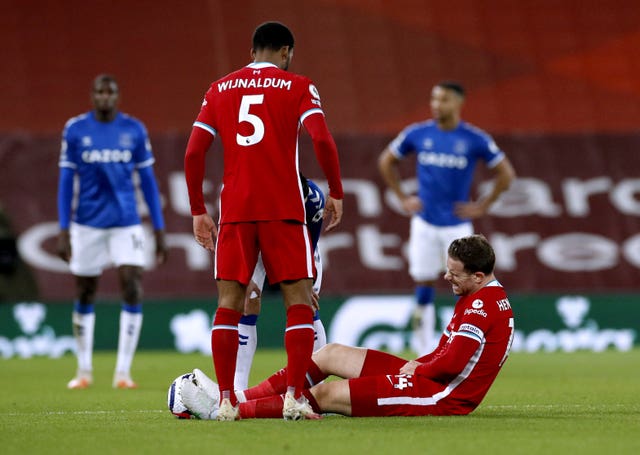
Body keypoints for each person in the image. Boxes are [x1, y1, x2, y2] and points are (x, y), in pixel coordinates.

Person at [183, 21, 344, 421]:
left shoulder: (218, 88)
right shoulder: (300, 85)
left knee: (228, 306)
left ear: (252, 50)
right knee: (299, 305)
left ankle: (225, 401)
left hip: (236, 211)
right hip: (283, 209)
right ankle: (294, 396)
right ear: (287, 51)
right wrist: (337, 191)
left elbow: (192, 153)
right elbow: (322, 139)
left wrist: (197, 210)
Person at [181, 234, 514, 419]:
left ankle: (226, 412)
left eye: (454, 274)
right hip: (431, 376)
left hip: (442, 395)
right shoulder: (479, 296)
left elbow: (454, 364)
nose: (447, 278)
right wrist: (420, 365)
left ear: (479, 276)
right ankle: (238, 396)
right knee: (330, 353)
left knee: (326, 393)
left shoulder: (482, 306)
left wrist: (418, 368)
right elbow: (447, 355)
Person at [378, 81, 515, 356]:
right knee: (424, 282)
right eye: (434, 99)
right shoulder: (417, 133)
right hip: (424, 222)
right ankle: (423, 348)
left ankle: (473, 342)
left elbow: (506, 174)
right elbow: (386, 161)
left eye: (443, 100)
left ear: (458, 103)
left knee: (471, 283)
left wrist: (483, 205)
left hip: (458, 225)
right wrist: (402, 196)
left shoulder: (474, 138)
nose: (437, 105)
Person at [57, 74, 167, 389]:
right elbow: (66, 182)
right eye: (100, 92)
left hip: (126, 222)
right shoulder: (75, 129)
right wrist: (64, 229)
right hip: (86, 223)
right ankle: (84, 371)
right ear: (92, 96)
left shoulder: (133, 130)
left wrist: (158, 229)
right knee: (84, 290)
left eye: (110, 92)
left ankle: (123, 373)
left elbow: (147, 181)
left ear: (117, 97)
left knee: (132, 283)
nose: (105, 96)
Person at [234, 176, 327, 391]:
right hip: (259, 237)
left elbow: (310, 245)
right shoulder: (252, 198)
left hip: (295, 243)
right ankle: (239, 388)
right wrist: (245, 276)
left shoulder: (314, 201)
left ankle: (315, 389)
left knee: (306, 305)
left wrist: (308, 279)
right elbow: (241, 238)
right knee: (247, 302)